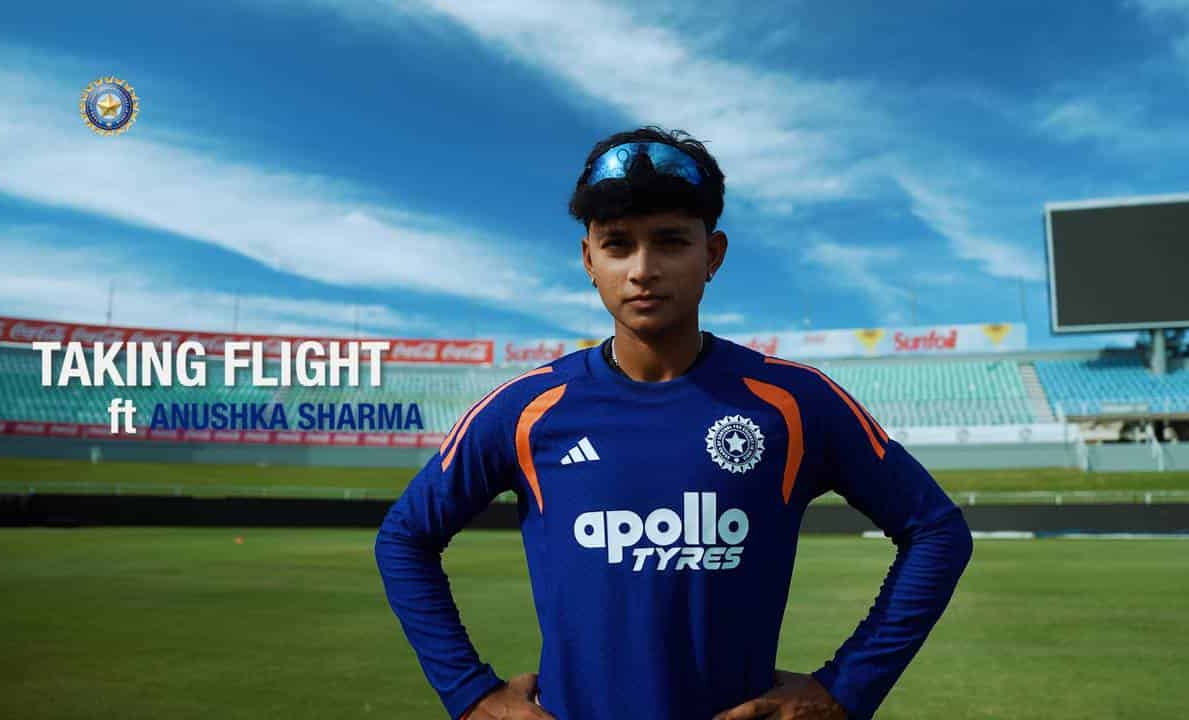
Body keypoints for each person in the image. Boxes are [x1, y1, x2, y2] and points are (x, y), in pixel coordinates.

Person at [376, 126, 973, 720]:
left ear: (712, 255)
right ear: (588, 259)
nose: (642, 269)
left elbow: (937, 531)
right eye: (617, 245)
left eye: (669, 242)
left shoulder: (794, 402)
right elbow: (405, 537)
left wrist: (845, 689)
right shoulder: (528, 409)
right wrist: (471, 694)